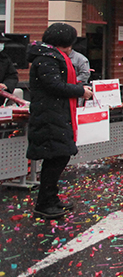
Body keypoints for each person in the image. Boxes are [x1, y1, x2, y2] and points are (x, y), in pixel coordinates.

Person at [27, 24, 94, 218]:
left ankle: (51, 197)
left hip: (56, 113)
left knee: (59, 155)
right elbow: (54, 86)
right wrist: (80, 90)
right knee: (56, 156)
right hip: (49, 115)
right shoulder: (46, 59)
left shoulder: (52, 57)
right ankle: (44, 202)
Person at [0, 34, 20, 102]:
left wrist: (6, 85)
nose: (1, 45)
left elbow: (12, 76)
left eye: (2, 42)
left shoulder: (4, 58)